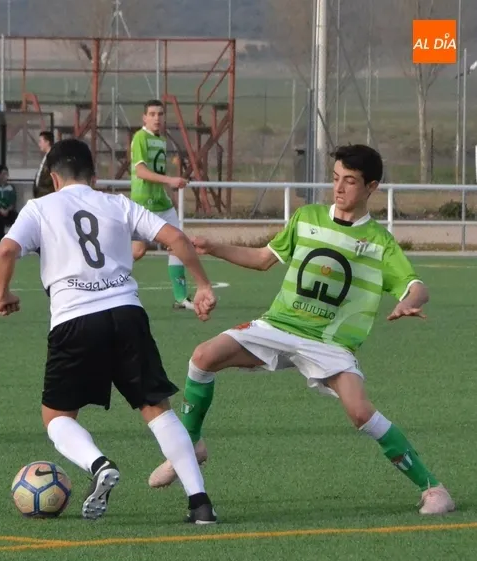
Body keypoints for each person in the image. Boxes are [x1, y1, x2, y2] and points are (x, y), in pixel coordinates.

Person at [148, 144, 456, 516]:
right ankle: (191, 445)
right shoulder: (307, 217)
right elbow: (263, 259)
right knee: (203, 357)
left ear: (371, 187)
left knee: (360, 412)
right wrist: (214, 247)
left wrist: (411, 301)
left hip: (330, 343)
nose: (338, 188)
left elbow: (415, 285)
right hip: (278, 325)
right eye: (335, 178)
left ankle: (433, 489)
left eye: (350, 181)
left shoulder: (380, 243)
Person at [0, 138, 219, 524]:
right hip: (127, 314)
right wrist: (203, 285)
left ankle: (98, 465)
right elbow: (177, 238)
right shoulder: (117, 203)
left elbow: (6, 250)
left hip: (74, 319)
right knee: (156, 410)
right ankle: (200, 504)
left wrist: (3, 294)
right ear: (94, 176)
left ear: (54, 178)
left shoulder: (40, 208)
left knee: (57, 417)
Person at [129, 100, 193, 311]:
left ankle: (181, 298)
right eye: (152, 114)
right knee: (138, 251)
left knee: (178, 244)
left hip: (162, 204)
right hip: (144, 203)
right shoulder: (140, 137)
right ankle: (104, 280)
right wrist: (170, 180)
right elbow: (141, 172)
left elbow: (159, 173)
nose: (157, 118)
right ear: (144, 117)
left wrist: (170, 195)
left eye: (160, 114)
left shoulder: (161, 140)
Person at [0, 164, 18, 246]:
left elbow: (13, 202)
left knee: (16, 216)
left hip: (8, 210)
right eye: (1, 174)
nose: (3, 176)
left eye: (5, 174)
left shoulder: (11, 187)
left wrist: (7, 210)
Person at [33, 131, 54, 198]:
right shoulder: (46, 156)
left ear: (47, 142)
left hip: (46, 194)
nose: (39, 144)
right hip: (41, 194)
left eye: (40, 141)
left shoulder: (53, 157)